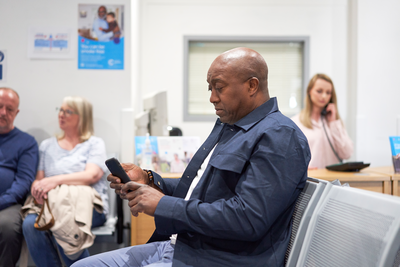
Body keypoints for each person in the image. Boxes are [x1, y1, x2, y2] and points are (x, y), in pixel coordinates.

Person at [72, 47, 311, 267]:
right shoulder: (229, 126)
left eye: (220, 87)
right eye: (210, 88)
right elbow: (197, 190)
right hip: (183, 246)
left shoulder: (280, 136)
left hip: (220, 259)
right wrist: (149, 180)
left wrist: (163, 205)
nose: (212, 98)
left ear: (252, 86)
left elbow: (248, 219)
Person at [22, 96, 108, 267]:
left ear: (81, 117)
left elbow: (91, 175)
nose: (61, 115)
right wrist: (38, 191)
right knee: (30, 223)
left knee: (62, 220)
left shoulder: (94, 144)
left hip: (87, 206)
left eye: (68, 111)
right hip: (51, 204)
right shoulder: (47, 145)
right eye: (60, 110)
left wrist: (54, 181)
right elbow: (39, 180)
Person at [0, 87, 39, 267]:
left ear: (17, 112)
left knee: (7, 227)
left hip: (10, 204)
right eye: (0, 106)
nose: (3, 113)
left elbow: (24, 182)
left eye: (9, 109)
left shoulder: (26, 142)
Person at [291, 73, 353, 169]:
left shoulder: (336, 122)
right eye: (319, 91)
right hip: (310, 179)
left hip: (334, 180)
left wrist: (333, 123)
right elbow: (289, 157)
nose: (324, 96)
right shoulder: (296, 122)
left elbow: (347, 153)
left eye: (328, 92)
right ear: (309, 92)